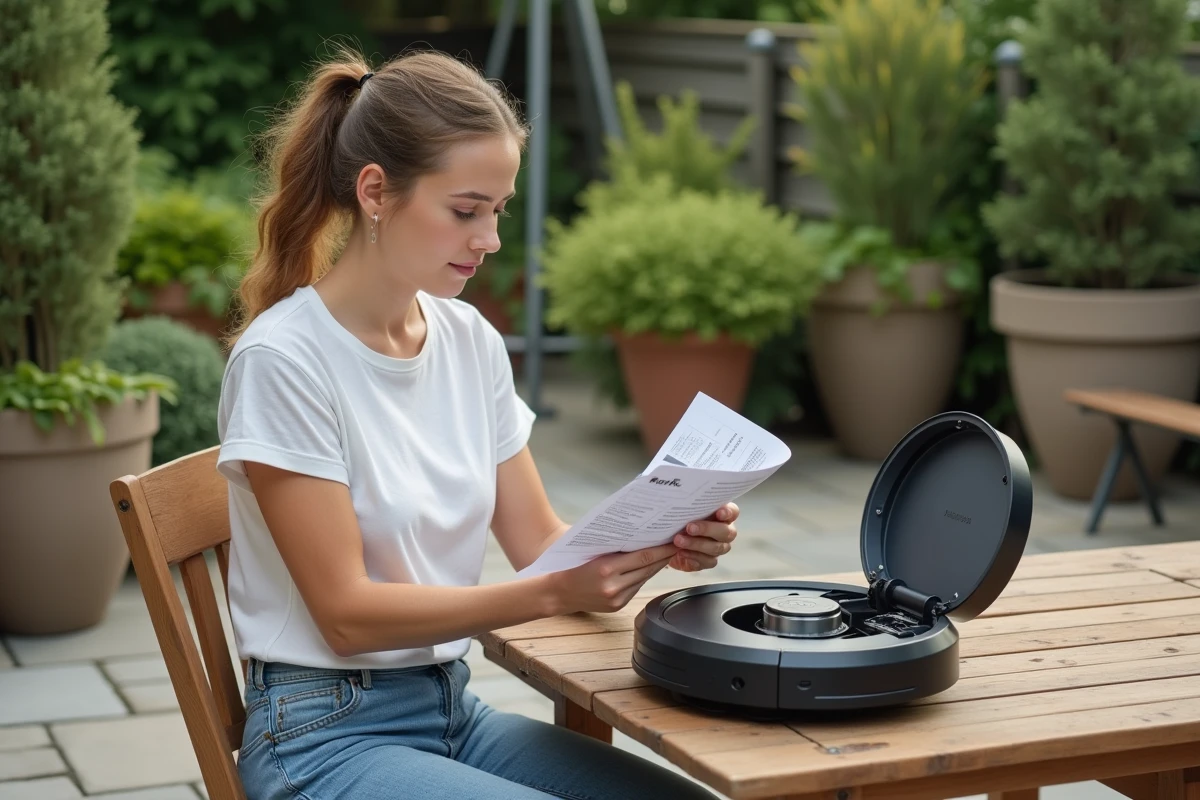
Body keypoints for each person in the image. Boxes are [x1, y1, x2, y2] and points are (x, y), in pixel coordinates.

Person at [215, 46, 739, 800]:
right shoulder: (285, 361)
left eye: (497, 210)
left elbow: (540, 545)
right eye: (465, 210)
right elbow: (346, 616)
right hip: (323, 736)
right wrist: (551, 594)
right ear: (375, 192)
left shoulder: (469, 341)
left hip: (451, 711)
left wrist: (665, 533)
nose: (489, 239)